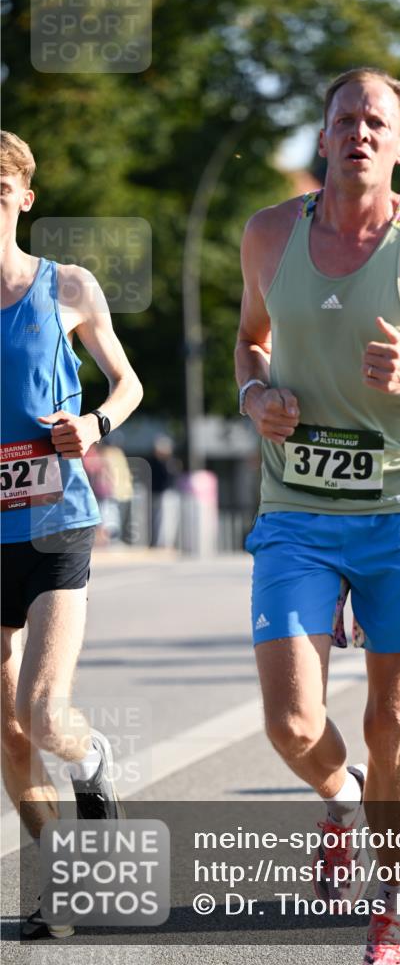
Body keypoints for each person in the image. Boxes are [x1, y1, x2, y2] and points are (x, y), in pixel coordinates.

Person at [235, 68, 400, 965]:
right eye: (342, 117)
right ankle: (339, 794)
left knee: (393, 721)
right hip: (297, 510)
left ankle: (391, 910)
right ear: (321, 137)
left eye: (374, 121)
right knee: (291, 723)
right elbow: (249, 339)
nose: (356, 131)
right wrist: (253, 393)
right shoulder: (269, 234)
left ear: (398, 145)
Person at [0, 130, 143, 937]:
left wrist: (92, 424)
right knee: (9, 734)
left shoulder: (67, 286)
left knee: (45, 714)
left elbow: (127, 383)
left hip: (55, 520)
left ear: (24, 199)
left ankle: (92, 766)